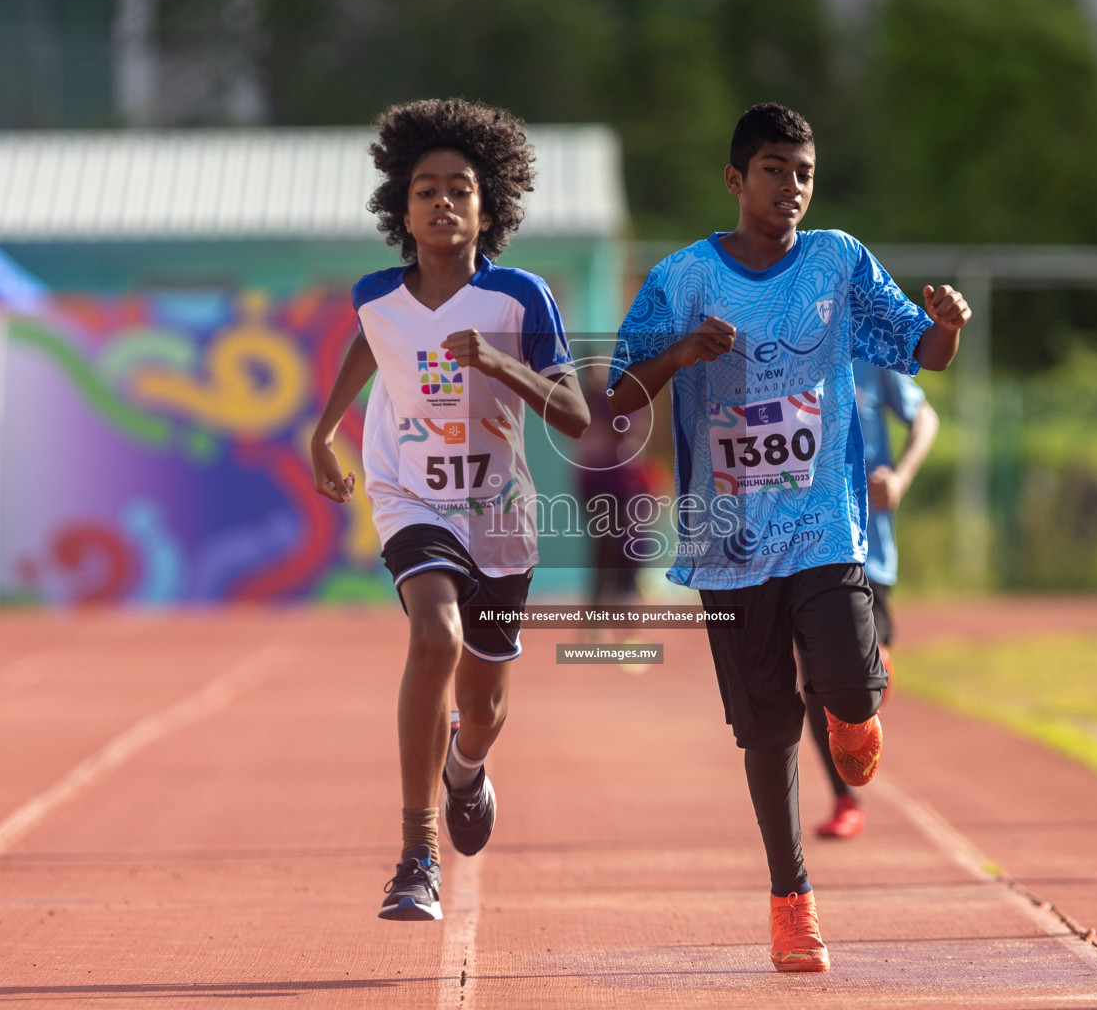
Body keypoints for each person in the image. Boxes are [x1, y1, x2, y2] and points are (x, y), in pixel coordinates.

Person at [606, 103, 969, 972]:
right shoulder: (682, 280)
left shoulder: (839, 263)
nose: (792, 187)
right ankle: (791, 901)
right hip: (728, 541)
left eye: (803, 172)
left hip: (825, 524)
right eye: (774, 169)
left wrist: (948, 325)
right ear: (736, 180)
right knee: (766, 732)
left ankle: (854, 712)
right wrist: (682, 355)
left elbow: (923, 350)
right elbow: (616, 397)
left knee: (849, 676)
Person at [310, 98, 589, 922]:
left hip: (499, 512)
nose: (441, 201)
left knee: (487, 709)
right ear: (401, 209)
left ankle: (465, 768)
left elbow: (574, 416)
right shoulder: (376, 297)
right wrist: (323, 433)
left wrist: (506, 369)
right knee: (435, 636)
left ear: (487, 208)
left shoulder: (520, 298)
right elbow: (371, 344)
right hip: (409, 496)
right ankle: (414, 853)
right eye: (425, 189)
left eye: (459, 189)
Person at [807, 366, 939, 839]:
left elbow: (925, 416)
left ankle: (872, 667)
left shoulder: (872, 348)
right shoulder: (776, 340)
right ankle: (846, 797)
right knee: (813, 682)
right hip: (800, 546)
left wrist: (900, 478)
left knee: (858, 672)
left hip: (867, 551)